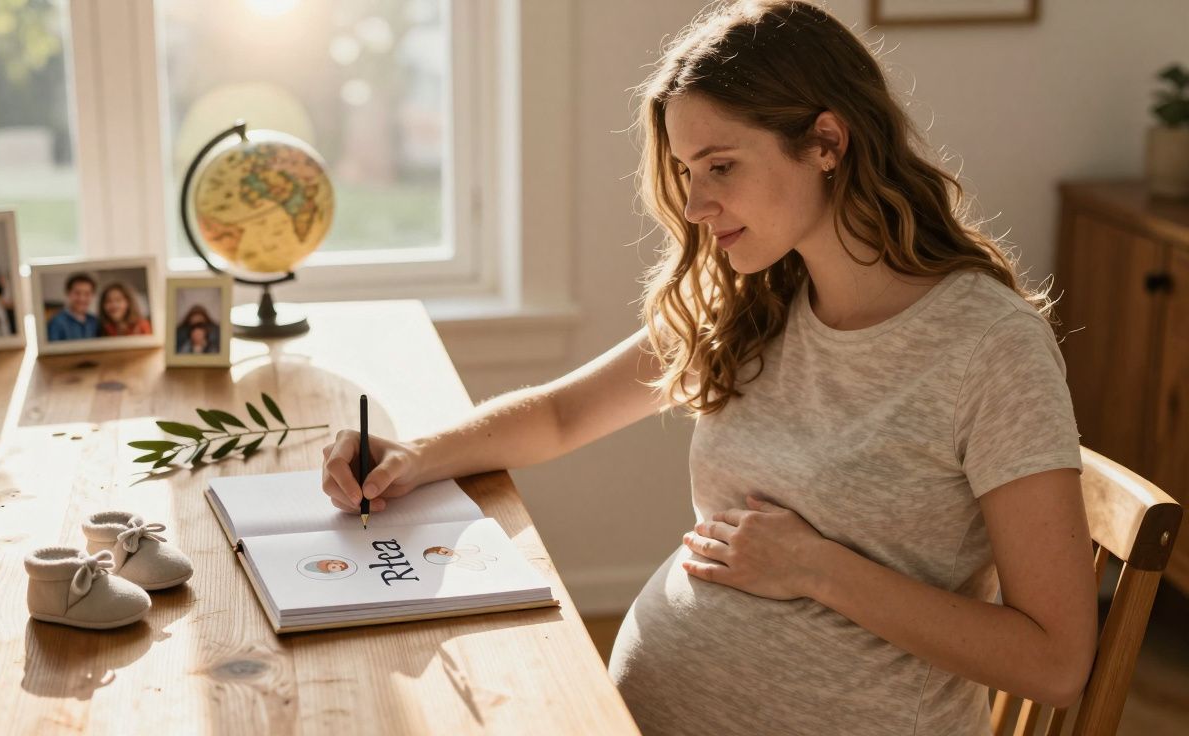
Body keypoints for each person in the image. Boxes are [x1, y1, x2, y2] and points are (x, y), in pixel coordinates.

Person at [318, 2, 1095, 734]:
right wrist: (414, 457)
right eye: (689, 171)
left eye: (720, 165)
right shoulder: (760, 296)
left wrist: (818, 569)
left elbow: (1055, 664)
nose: (694, 205)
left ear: (827, 142)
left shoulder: (990, 348)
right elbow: (563, 415)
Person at [46, 273, 99, 342]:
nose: (82, 298)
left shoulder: (95, 321)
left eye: (87, 294)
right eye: (77, 293)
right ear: (68, 293)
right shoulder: (56, 323)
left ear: (92, 295)